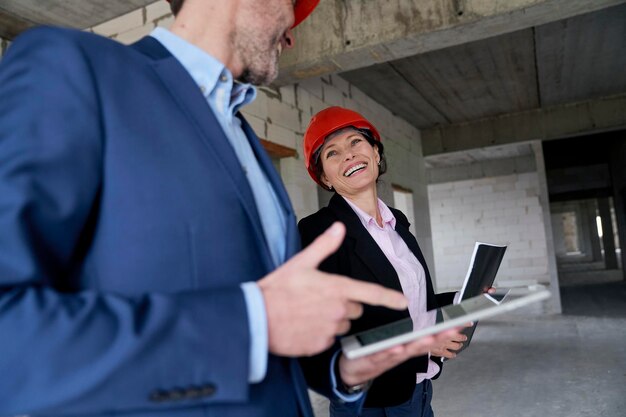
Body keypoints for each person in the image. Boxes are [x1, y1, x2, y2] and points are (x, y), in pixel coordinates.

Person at [0, 1, 463, 416]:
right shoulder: (73, 68)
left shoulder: (247, 143)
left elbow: (274, 328)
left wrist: (340, 367)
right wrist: (251, 323)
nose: (291, 35)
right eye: (290, 7)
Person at [298, 106, 471, 416]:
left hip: (419, 391)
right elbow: (327, 336)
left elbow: (411, 302)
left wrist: (464, 299)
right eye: (332, 153)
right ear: (325, 178)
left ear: (375, 152)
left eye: (355, 142)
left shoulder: (398, 224)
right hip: (371, 402)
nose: (349, 155)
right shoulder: (318, 232)